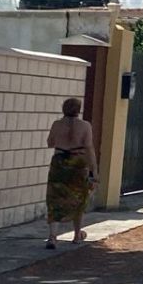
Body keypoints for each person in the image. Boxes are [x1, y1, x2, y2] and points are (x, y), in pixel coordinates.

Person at [44, 97, 98, 249]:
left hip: (59, 163)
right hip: (78, 163)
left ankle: (52, 237)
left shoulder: (57, 124)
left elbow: (50, 143)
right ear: (78, 110)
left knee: (55, 198)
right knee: (79, 198)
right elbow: (89, 148)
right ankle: (77, 235)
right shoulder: (85, 126)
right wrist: (94, 170)